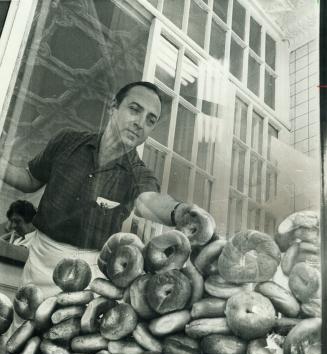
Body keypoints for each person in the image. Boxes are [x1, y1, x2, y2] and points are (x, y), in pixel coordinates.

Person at [0, 81, 195, 297]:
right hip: (40, 261)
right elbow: (29, 179)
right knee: (24, 327)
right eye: (134, 109)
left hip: (90, 274)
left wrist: (182, 212)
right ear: (114, 107)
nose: (140, 123)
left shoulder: (138, 173)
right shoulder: (67, 141)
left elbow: (149, 201)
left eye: (150, 120)